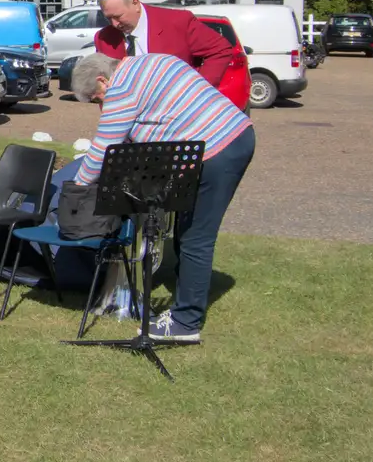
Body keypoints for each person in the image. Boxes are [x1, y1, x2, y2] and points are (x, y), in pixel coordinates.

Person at [70, 51, 255, 342]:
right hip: (234, 135)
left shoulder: (121, 89)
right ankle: (185, 305)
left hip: (218, 150)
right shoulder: (153, 61)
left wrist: (76, 189)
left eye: (96, 98)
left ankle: (186, 323)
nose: (100, 105)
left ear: (102, 80)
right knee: (184, 229)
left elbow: (104, 149)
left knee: (196, 237)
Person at [91, 0, 234, 87]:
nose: (114, 24)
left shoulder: (178, 22)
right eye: (108, 18)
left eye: (118, 16)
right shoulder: (104, 38)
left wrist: (198, 90)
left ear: (135, 3)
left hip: (176, 114)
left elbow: (220, 50)